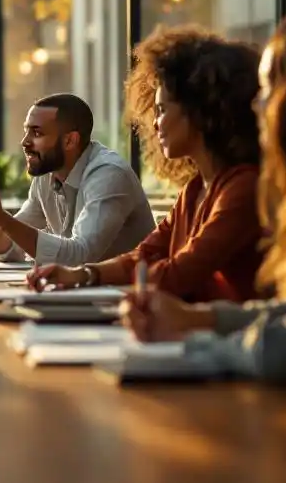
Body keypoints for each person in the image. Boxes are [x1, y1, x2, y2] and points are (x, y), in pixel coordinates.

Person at [122, 0, 286, 388]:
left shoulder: (245, 186)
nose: (257, 104)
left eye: (271, 87)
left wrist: (197, 341)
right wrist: (199, 321)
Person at [29, 28, 264, 303]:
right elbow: (145, 255)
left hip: (230, 341)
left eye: (162, 110)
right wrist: (82, 275)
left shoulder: (244, 187)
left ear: (200, 112)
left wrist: (88, 276)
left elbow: (179, 274)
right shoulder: (196, 189)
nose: (154, 123)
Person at [0, 93, 154, 266]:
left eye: (36, 132)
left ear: (69, 140)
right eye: (26, 131)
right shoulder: (47, 176)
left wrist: (3, 219)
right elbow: (14, 251)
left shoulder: (109, 174)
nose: (24, 142)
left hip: (131, 300)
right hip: (82, 296)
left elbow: (80, 256)